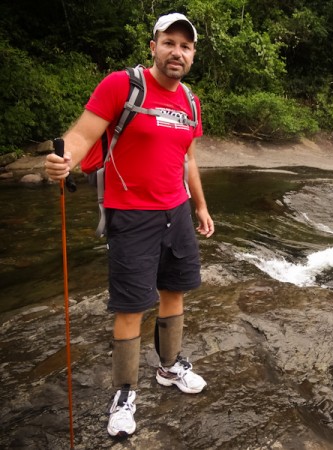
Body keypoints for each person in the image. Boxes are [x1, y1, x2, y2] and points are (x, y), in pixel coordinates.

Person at [45, 13, 214, 439]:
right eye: (169, 42)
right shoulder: (123, 85)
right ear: (153, 45)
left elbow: (188, 158)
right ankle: (124, 393)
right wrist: (64, 160)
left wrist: (200, 206)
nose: (177, 52)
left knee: (174, 291)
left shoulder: (190, 101)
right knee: (131, 307)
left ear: (193, 55)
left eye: (186, 46)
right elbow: (83, 134)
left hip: (176, 211)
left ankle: (170, 367)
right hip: (131, 214)